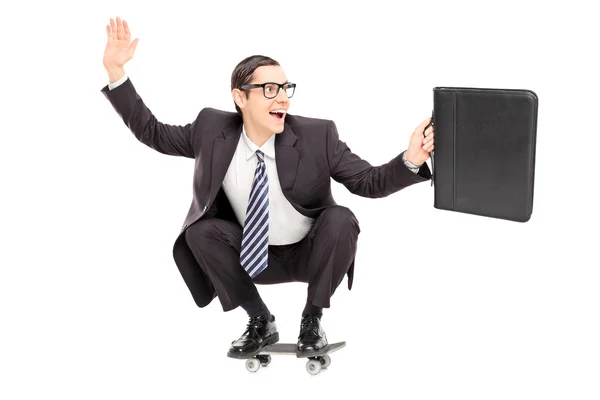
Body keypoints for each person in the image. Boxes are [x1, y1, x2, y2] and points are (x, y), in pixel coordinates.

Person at [100, 16, 435, 359]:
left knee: (341, 218)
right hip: (251, 257)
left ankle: (312, 320)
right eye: (270, 90)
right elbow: (153, 132)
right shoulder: (210, 130)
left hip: (312, 255)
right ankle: (260, 320)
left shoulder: (318, 136)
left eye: (285, 88)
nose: (283, 99)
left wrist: (410, 159)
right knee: (199, 232)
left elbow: (369, 182)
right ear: (240, 97)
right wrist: (116, 72)